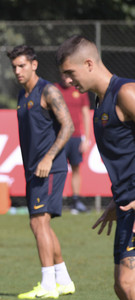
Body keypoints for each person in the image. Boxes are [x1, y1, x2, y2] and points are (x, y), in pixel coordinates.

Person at [56, 35, 135, 300]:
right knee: (123, 288)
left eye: (70, 73)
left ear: (89, 64)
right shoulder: (100, 101)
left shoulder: (125, 94)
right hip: (126, 206)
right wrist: (119, 202)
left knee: (126, 283)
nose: (67, 82)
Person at [7, 45, 76, 300]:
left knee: (39, 222)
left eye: (22, 65)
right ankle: (64, 280)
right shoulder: (21, 95)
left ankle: (48, 283)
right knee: (40, 224)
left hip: (50, 168)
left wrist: (48, 157)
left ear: (34, 65)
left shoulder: (48, 90)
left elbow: (68, 126)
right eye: (14, 66)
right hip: (33, 169)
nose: (18, 71)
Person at [54, 78, 91, 214]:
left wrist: (86, 139)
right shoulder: (54, 89)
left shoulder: (79, 89)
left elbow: (86, 114)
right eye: (63, 74)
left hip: (76, 136)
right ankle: (55, 200)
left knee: (76, 169)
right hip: (59, 137)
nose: (65, 78)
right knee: (58, 169)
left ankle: (76, 201)